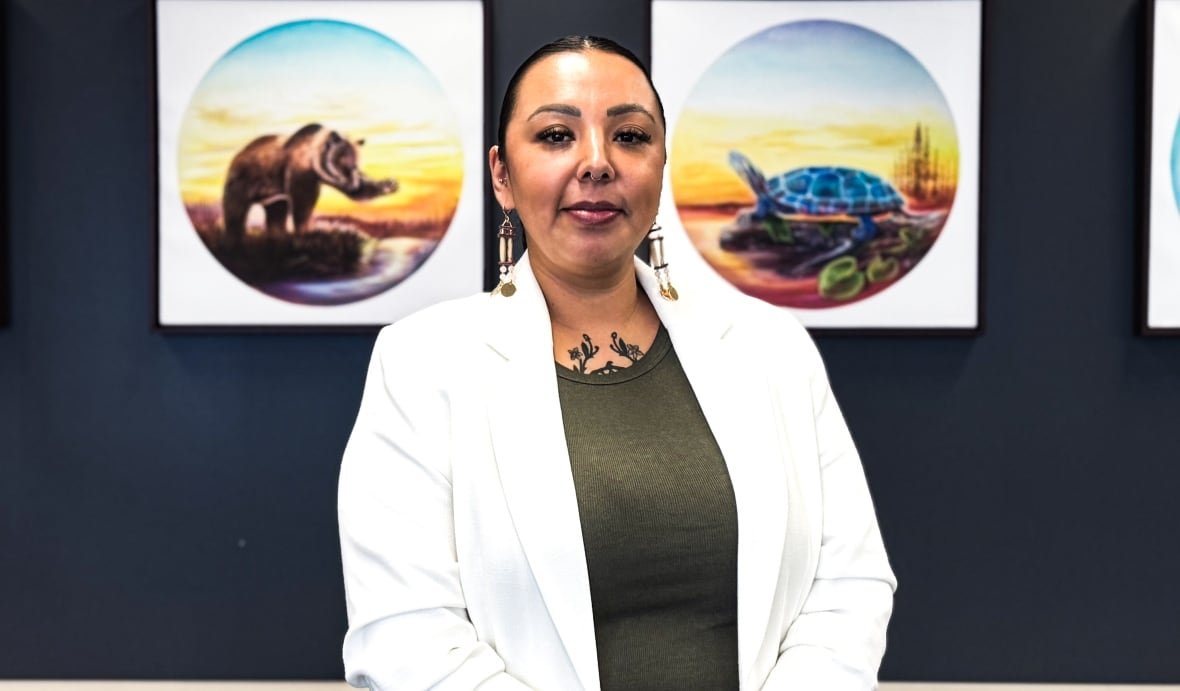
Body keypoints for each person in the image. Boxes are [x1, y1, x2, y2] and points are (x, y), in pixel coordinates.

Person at [338, 35, 896, 690]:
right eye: (555, 136)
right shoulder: (421, 363)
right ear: (501, 174)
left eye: (630, 136)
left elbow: (849, 587)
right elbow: (406, 637)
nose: (597, 162)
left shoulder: (774, 349)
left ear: (660, 167)